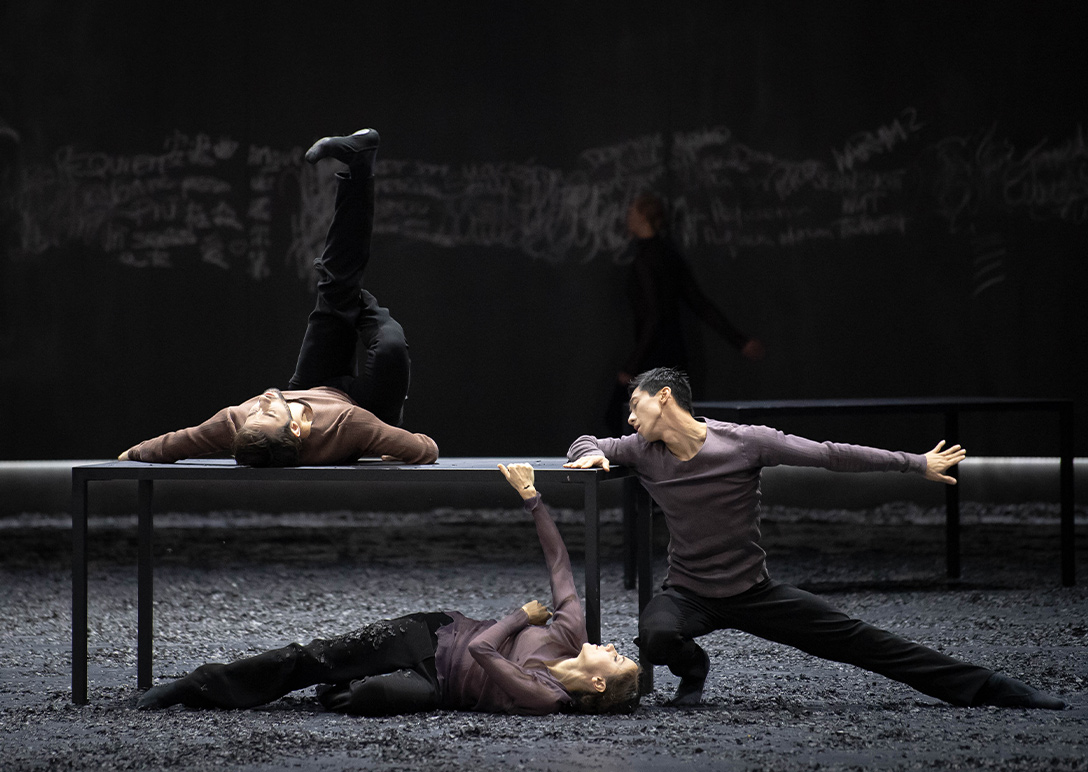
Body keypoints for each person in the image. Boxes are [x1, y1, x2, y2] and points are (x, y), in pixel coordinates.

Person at [567, 367, 1066, 710]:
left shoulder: (746, 442)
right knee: (654, 636)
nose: (630, 419)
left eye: (635, 406)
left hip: (754, 593)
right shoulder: (642, 449)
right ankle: (694, 667)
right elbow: (586, 441)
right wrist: (589, 452)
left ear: (665, 397)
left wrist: (916, 463)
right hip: (690, 594)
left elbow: (830, 454)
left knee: (863, 642)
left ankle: (997, 689)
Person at [136, 463, 641, 716]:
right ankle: (196, 685)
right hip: (430, 637)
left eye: (616, 660)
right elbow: (559, 564)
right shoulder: (571, 632)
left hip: (438, 686)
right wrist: (532, 498)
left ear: (597, 685)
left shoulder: (547, 697)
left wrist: (519, 617)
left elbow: (488, 650)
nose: (614, 647)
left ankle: (342, 688)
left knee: (368, 695)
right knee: (311, 658)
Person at [118, 128, 438, 467]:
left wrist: (131, 455)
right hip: (369, 405)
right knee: (388, 345)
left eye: (256, 411)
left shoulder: (241, 420)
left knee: (336, 281)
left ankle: (360, 163)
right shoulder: (351, 427)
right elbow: (426, 449)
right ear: (297, 431)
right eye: (269, 413)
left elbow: (180, 443)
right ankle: (357, 298)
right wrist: (392, 446)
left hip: (315, 384)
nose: (265, 400)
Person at [606, 194, 764, 434]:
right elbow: (699, 303)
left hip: (653, 359)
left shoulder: (646, 260)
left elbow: (654, 317)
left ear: (642, 217)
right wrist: (740, 341)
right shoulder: (670, 256)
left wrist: (631, 367)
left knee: (621, 420)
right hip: (675, 357)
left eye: (631, 213)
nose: (627, 218)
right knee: (666, 430)